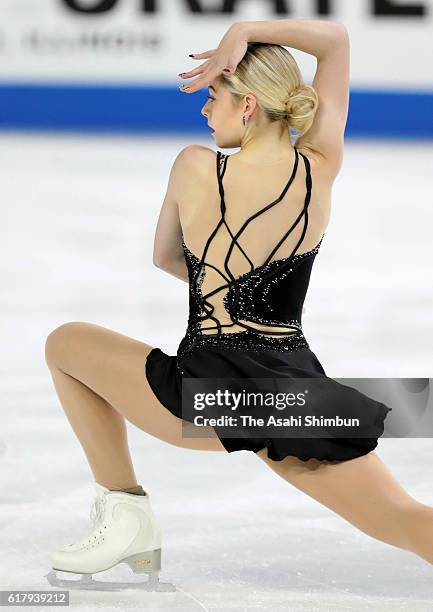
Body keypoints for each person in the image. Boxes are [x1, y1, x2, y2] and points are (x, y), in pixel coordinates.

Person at [45, 19, 433, 590]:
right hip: (292, 393)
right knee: (402, 519)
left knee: (65, 344)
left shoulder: (194, 166)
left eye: (213, 96)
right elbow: (336, 41)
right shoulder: (320, 167)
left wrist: (223, 294)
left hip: (206, 396)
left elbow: (166, 259)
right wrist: (244, 30)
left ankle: (127, 516)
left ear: (247, 105)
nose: (205, 111)